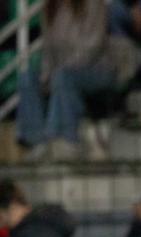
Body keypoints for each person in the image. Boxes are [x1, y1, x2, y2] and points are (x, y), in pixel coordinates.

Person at [16, 0, 118, 160]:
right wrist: (46, 75)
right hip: (62, 72)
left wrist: (63, 70)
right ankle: (36, 141)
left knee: (64, 77)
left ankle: (64, 137)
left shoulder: (94, 4)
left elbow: (94, 45)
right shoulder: (50, 9)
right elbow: (48, 51)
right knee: (27, 77)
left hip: (97, 69)